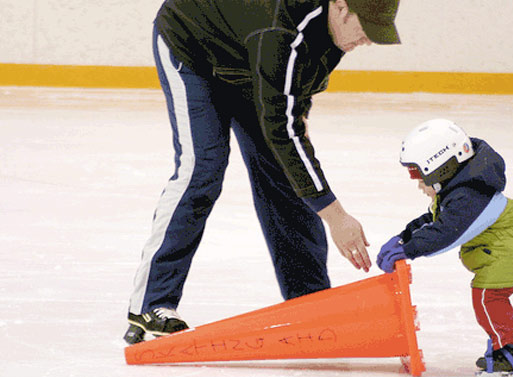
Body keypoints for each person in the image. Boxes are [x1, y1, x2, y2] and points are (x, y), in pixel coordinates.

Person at [123, 0, 402, 344]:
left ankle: (309, 302)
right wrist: (337, 217)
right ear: (341, 7)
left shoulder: (333, 33)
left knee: (288, 175)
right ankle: (151, 304)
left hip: (247, 60)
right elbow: (282, 126)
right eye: (367, 28)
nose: (368, 41)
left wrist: (298, 132)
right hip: (191, 46)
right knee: (203, 169)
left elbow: (293, 97)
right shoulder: (281, 30)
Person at [376, 119, 513, 374]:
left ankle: (511, 352)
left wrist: (410, 249)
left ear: (439, 167)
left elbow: (446, 233)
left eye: (417, 174)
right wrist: (404, 237)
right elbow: (436, 220)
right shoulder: (464, 190)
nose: (417, 183)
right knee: (493, 299)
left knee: (487, 297)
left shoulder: (469, 196)